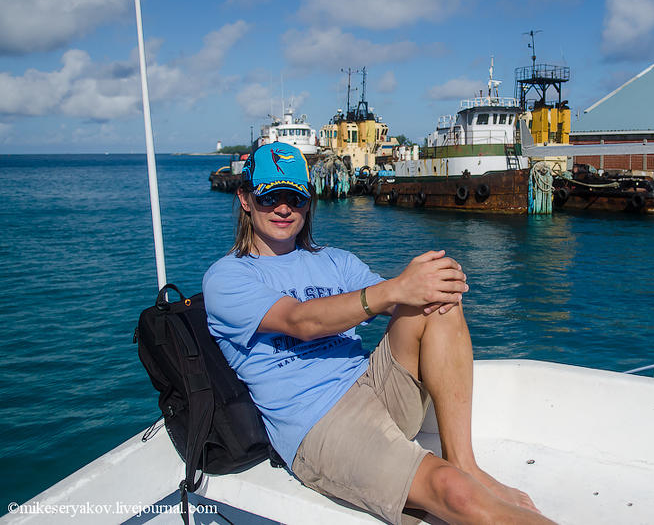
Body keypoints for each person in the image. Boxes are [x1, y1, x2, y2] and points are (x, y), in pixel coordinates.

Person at [203, 144, 553, 525]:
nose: (283, 208)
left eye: (295, 197)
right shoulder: (227, 277)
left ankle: (464, 461)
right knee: (451, 491)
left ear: (308, 201)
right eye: (269, 197)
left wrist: (433, 281)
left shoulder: (334, 260)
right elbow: (299, 322)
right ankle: (460, 478)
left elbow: (396, 300)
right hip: (319, 424)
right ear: (245, 199)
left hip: (373, 385)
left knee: (439, 300)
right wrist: (398, 289)